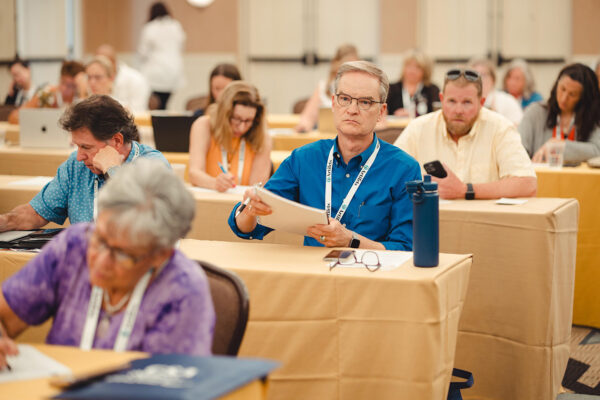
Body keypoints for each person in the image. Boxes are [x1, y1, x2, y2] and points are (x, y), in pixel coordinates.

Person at [0, 159, 215, 365]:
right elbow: (6, 312)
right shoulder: (74, 246)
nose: (100, 260)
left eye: (122, 254)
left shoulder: (183, 289)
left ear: (160, 255)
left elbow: (175, 382)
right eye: (99, 239)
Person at [230, 61, 421, 250]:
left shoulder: (403, 169)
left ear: (381, 112)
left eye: (365, 102)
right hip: (311, 269)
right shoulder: (304, 160)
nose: (352, 110)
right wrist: (250, 210)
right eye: (345, 99)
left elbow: (405, 249)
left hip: (370, 269)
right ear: (333, 103)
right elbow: (248, 229)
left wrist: (351, 241)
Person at [0, 95, 168, 233]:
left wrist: (113, 170)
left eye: (86, 147)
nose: (79, 156)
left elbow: (149, 224)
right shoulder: (75, 165)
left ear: (117, 141)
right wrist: (6, 221)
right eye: (77, 146)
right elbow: (37, 213)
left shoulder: (153, 166)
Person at [395, 68, 536, 200]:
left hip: (482, 218)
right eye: (451, 101)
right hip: (429, 216)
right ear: (442, 99)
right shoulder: (418, 128)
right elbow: (390, 174)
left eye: (467, 102)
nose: (458, 110)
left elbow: (528, 185)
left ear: (481, 102)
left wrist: (465, 190)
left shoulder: (500, 128)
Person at [189, 81, 272, 192]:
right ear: (224, 113)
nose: (241, 127)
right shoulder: (204, 126)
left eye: (248, 120)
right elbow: (194, 173)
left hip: (243, 202)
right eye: (236, 119)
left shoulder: (263, 138)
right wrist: (215, 183)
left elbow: (257, 188)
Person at [519, 63, 600, 163]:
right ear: (556, 85)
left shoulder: (594, 117)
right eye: (562, 89)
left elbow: (597, 150)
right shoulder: (535, 112)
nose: (564, 98)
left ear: (583, 98)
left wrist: (560, 146)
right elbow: (517, 149)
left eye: (572, 94)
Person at [295, 44, 360, 132]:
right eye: (346, 66)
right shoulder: (324, 86)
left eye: (354, 67)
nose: (350, 71)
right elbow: (308, 118)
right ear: (336, 65)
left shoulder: (363, 88)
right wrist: (303, 126)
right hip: (327, 135)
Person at [138, 1, 186, 110]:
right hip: (174, 71)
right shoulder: (176, 26)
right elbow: (181, 47)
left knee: (155, 105)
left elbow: (142, 52)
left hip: (155, 72)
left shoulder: (150, 27)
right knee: (164, 104)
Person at [8, 60, 86, 124]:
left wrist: (83, 92)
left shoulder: (82, 97)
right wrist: (41, 120)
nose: (64, 88)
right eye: (62, 82)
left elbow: (86, 122)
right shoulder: (48, 94)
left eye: (70, 86)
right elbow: (14, 116)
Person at [96, 44, 150, 113]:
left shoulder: (136, 79)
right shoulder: (92, 79)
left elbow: (138, 111)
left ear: (113, 62)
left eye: (101, 63)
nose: (93, 81)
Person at [386, 49, 440, 118]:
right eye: (409, 66)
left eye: (418, 67)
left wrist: (413, 115)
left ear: (425, 70)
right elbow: (383, 113)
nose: (412, 71)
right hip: (396, 124)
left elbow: (436, 115)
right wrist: (395, 115)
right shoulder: (391, 89)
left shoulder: (432, 90)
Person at [468, 58, 523, 125]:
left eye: (483, 75)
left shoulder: (508, 101)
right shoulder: (464, 101)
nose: (479, 79)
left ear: (492, 79)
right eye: (475, 75)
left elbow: (518, 126)